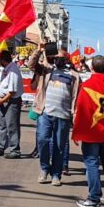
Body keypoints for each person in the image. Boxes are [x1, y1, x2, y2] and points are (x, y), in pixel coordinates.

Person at [73, 55, 104, 207]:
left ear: (91, 68)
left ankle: (94, 198)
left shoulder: (87, 86)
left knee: (91, 163)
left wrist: (76, 132)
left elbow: (81, 111)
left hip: (92, 132)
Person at [29, 43, 78, 186]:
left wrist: (73, 114)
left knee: (59, 146)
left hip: (63, 116)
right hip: (45, 113)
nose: (57, 59)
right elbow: (31, 64)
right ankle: (44, 169)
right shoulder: (47, 70)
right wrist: (39, 50)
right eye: (55, 57)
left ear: (67, 59)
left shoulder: (74, 76)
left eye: (60, 57)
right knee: (43, 140)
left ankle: (56, 174)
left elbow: (75, 96)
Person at [0, 50, 22, 159]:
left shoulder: (13, 70)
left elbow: (12, 92)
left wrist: (1, 101)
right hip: (4, 100)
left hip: (11, 101)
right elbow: (2, 84)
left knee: (12, 126)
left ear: (3, 60)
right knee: (2, 125)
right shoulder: (6, 69)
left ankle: (14, 150)